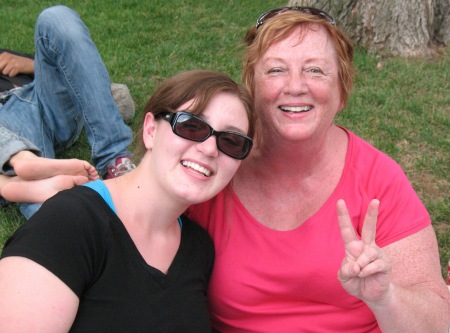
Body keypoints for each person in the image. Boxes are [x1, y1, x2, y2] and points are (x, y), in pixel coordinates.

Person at [186, 6, 450, 332]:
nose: (296, 86)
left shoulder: (378, 179)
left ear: (341, 90)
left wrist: (386, 298)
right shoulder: (216, 162)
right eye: (276, 70)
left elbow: (439, 322)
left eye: (315, 71)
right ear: (251, 84)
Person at [0, 69, 256, 332]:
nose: (210, 148)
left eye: (232, 141)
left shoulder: (198, 249)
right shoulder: (69, 223)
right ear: (150, 130)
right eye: (191, 125)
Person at [0, 5, 135, 219]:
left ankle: (116, 162)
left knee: (55, 18)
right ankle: (30, 175)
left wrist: (28, 64)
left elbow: (60, 58)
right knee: (55, 207)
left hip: (35, 103)